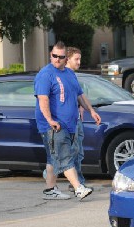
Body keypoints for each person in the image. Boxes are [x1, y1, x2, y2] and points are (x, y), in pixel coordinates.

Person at [34, 41, 100, 201]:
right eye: (54, 56)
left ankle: (50, 190)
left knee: (53, 158)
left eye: (60, 57)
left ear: (65, 58)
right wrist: (50, 120)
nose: (57, 59)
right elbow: (43, 99)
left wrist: (91, 110)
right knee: (65, 156)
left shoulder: (69, 74)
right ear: (50, 55)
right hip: (54, 126)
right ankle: (78, 188)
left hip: (69, 125)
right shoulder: (45, 74)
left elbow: (79, 95)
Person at [65, 47, 101, 192]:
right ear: (67, 59)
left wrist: (90, 110)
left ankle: (78, 182)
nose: (79, 62)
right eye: (76, 59)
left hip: (76, 119)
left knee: (78, 152)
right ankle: (73, 183)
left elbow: (80, 95)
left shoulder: (72, 75)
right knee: (70, 153)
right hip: (68, 121)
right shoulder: (63, 75)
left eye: (80, 59)